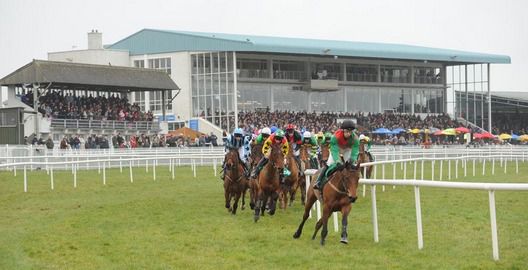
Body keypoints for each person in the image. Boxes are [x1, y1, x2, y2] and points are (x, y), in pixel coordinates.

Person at [314, 120, 359, 190]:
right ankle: (318, 181)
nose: (349, 134)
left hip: (347, 150)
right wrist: (338, 161)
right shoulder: (335, 137)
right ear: (343, 130)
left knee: (350, 165)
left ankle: (351, 184)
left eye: (350, 132)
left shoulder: (355, 138)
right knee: (329, 164)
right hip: (336, 149)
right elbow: (334, 150)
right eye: (347, 131)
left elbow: (355, 149)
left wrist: (353, 159)